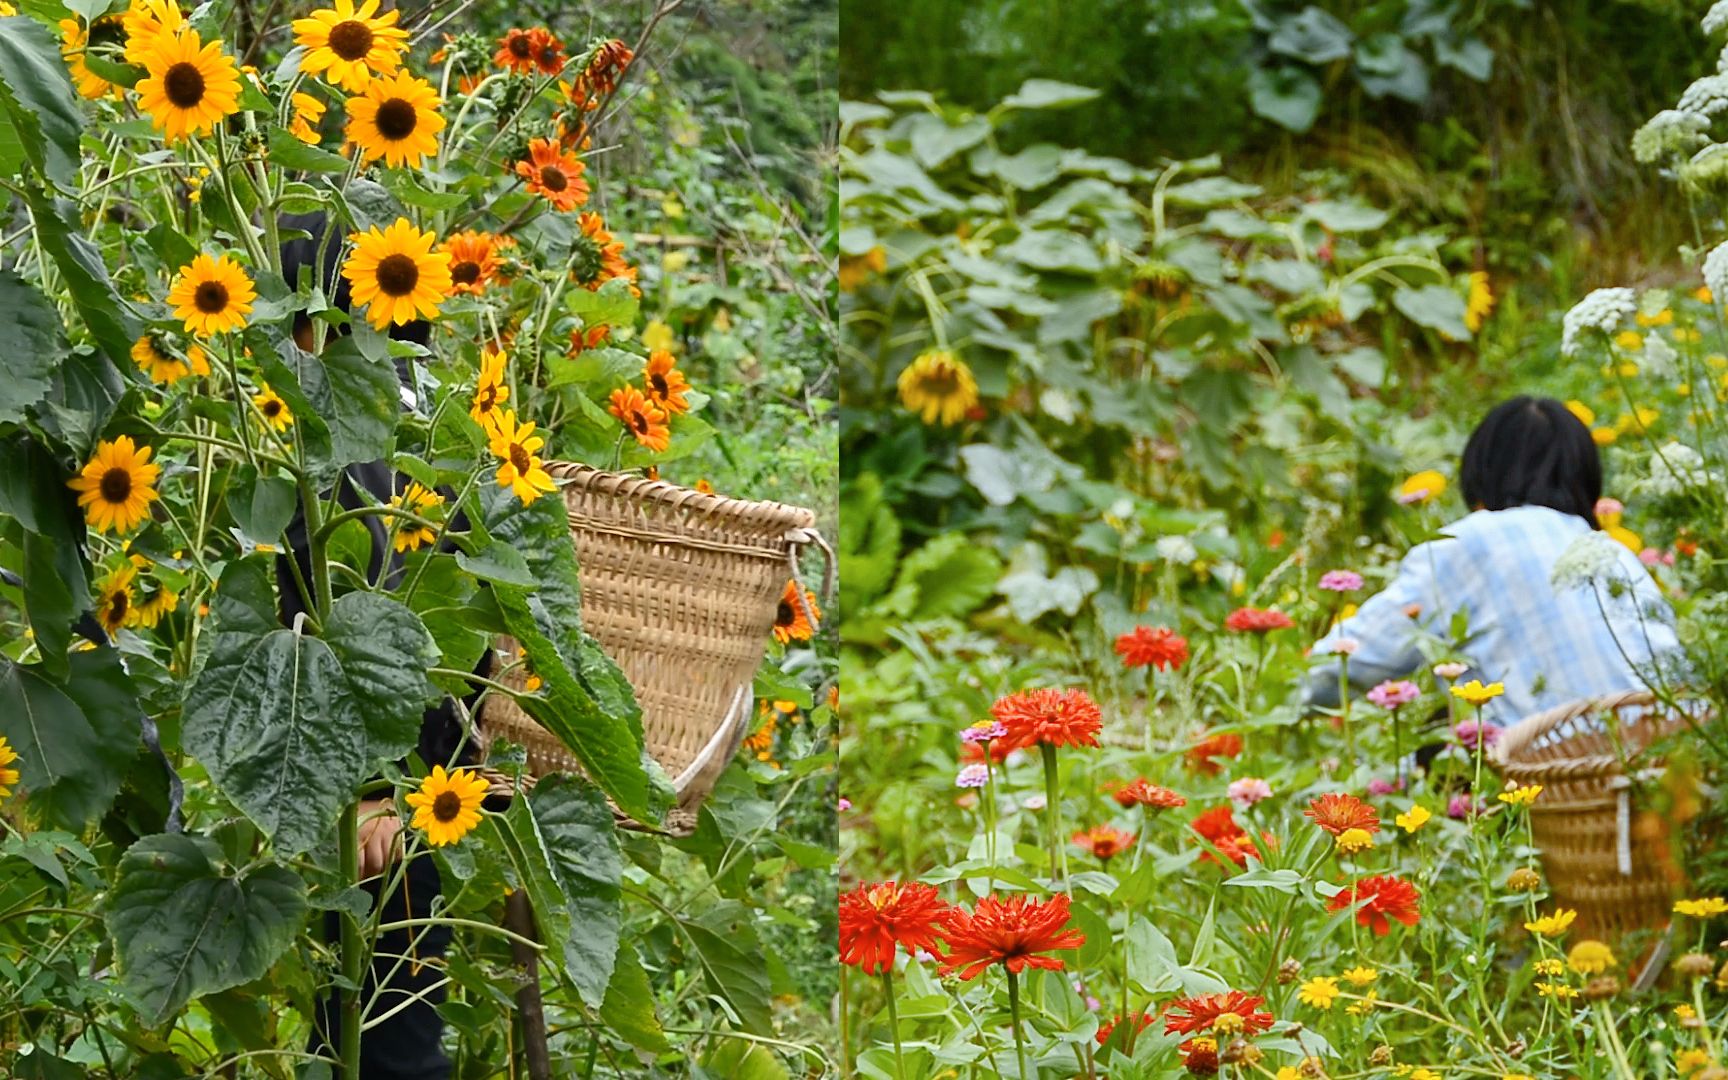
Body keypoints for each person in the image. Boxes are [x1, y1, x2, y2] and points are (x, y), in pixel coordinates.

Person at [277, 212, 483, 1079]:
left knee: (383, 1047)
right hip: (424, 791)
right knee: (377, 1027)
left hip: (377, 809)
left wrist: (378, 788)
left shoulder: (358, 448)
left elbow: (387, 625)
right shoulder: (433, 426)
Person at [1307, 395, 1681, 726]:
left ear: (1481, 473)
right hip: (1670, 768)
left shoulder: (1470, 542)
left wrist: (1276, 700)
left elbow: (1350, 661)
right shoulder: (1613, 552)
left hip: (1560, 782)